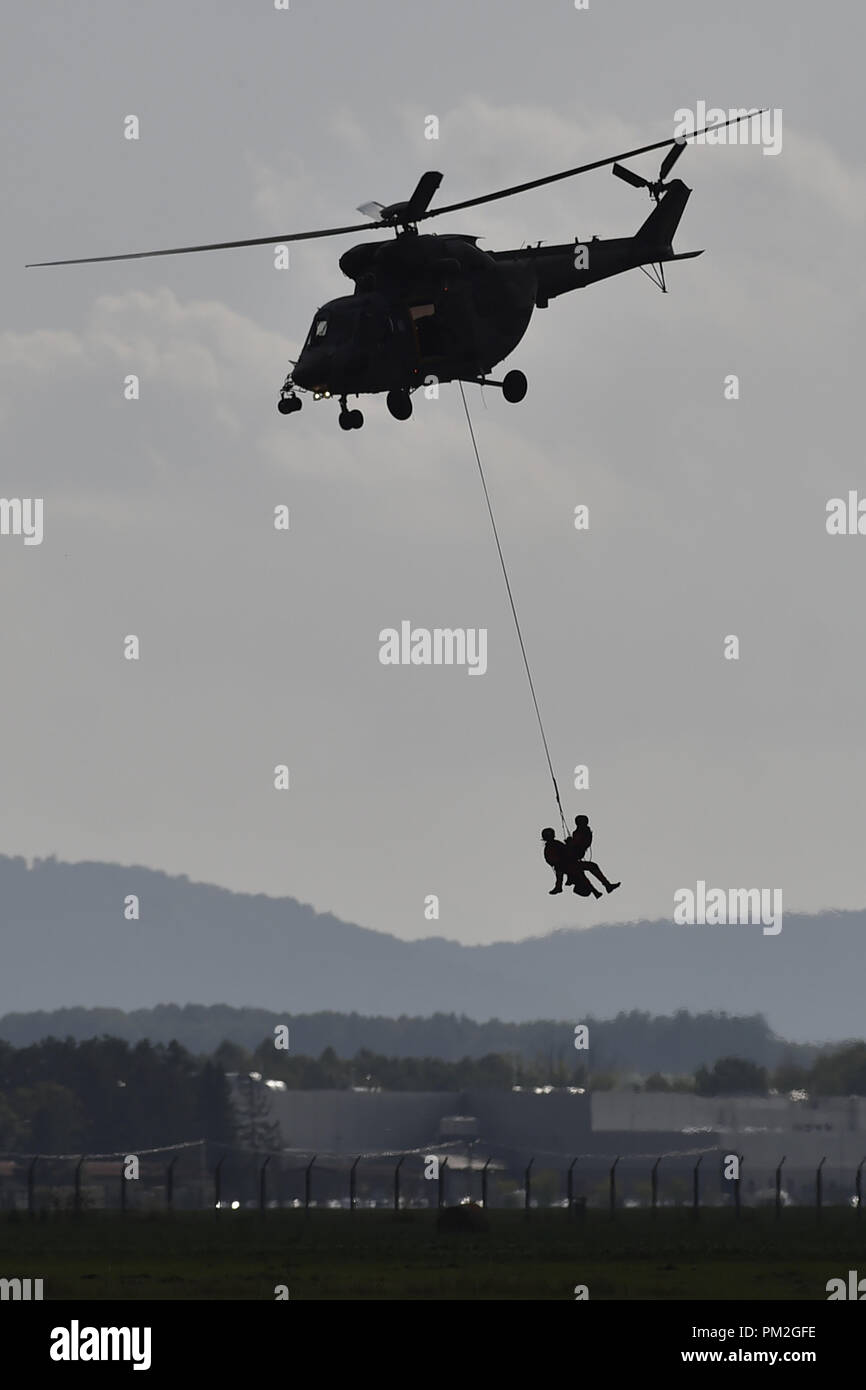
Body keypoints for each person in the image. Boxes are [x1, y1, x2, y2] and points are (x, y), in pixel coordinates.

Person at [566, 815, 621, 895]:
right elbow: (578, 845)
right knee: (589, 868)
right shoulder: (583, 832)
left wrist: (570, 843)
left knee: (590, 868)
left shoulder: (582, 832)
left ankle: (605, 886)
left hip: (573, 860)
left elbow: (578, 844)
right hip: (571, 862)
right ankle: (606, 886)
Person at [542, 827, 602, 898]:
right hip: (567, 866)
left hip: (570, 864)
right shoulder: (551, 847)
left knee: (587, 869)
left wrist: (570, 845)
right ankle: (597, 891)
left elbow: (566, 852)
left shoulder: (555, 844)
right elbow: (559, 856)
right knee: (582, 873)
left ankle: (601, 888)